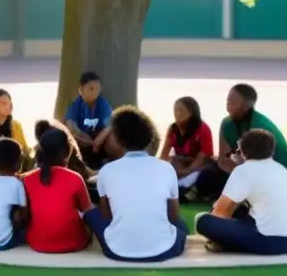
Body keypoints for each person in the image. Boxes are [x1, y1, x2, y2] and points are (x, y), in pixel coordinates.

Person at [84, 106, 189, 263]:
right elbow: (174, 216)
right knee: (181, 226)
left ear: (119, 140)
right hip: (166, 250)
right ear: (149, 136)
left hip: (116, 251)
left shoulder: (107, 171)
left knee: (90, 213)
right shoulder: (166, 168)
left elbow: (106, 217)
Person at [195, 129, 287, 255]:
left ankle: (226, 244)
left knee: (203, 221)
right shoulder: (282, 169)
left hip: (268, 240)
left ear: (243, 152)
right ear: (272, 151)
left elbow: (220, 213)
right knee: (240, 211)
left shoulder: (243, 170)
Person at [197, 83, 287, 200]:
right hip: (248, 173)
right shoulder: (227, 124)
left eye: (233, 104)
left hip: (282, 182)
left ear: (247, 105)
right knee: (207, 176)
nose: (228, 108)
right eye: (227, 102)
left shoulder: (259, 128)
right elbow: (223, 160)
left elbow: (256, 169)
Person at [23, 126, 93, 253]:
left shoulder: (28, 180)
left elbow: (28, 214)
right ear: (67, 151)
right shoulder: (75, 178)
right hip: (74, 242)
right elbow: (88, 211)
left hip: (38, 242)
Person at [159, 96, 214, 201]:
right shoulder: (173, 129)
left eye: (181, 110)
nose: (177, 113)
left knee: (207, 173)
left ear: (191, 112)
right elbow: (164, 154)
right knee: (172, 161)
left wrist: (185, 172)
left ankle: (191, 191)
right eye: (175, 110)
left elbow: (203, 157)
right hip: (181, 164)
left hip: (199, 167)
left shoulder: (203, 129)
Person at [64, 71, 115, 171]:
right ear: (81, 90)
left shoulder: (102, 104)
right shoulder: (76, 105)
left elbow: (110, 125)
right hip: (83, 143)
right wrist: (91, 143)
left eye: (97, 89)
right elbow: (72, 128)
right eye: (91, 89)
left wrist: (98, 141)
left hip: (99, 143)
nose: (95, 92)